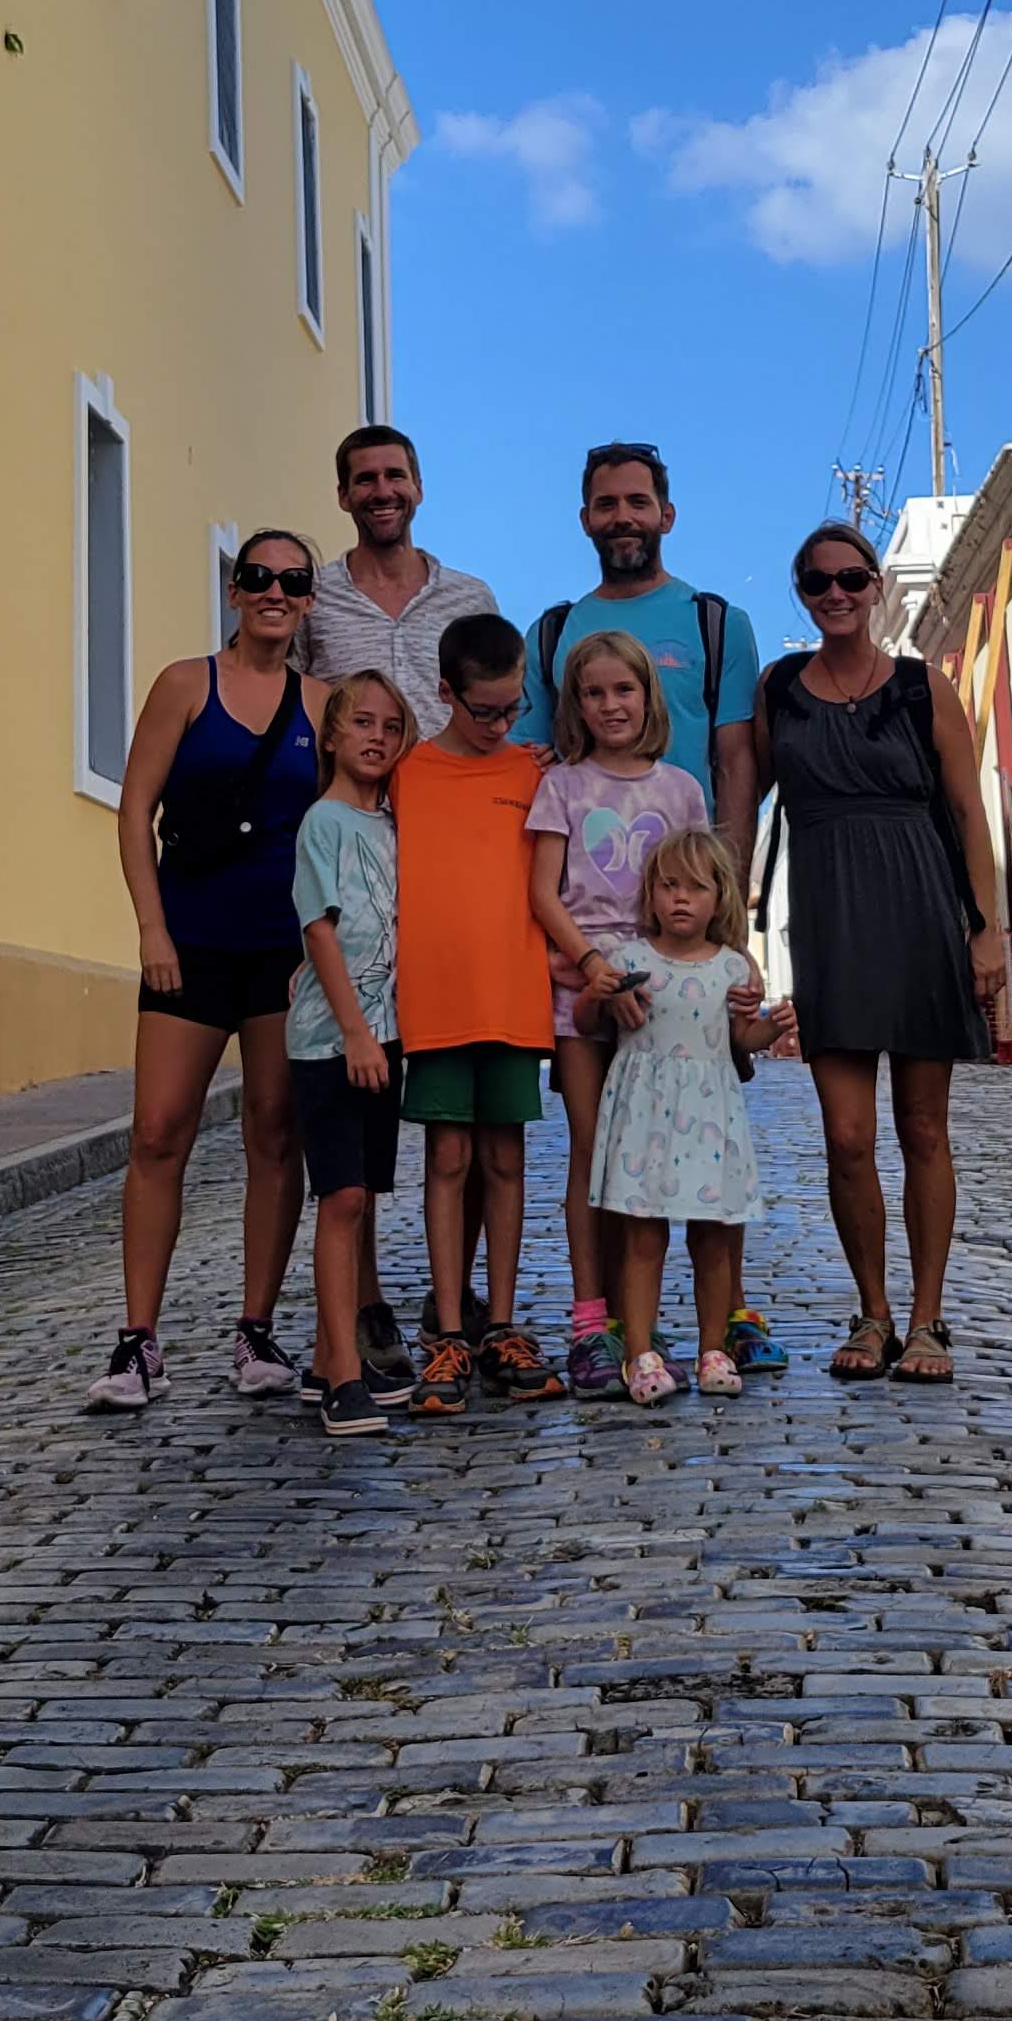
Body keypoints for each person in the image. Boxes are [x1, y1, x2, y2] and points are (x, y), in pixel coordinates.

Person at [740, 520, 1007, 1388]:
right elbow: (740, 808)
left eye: (853, 579)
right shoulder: (777, 689)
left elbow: (969, 813)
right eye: (818, 584)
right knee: (846, 1138)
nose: (838, 596)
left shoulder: (926, 690)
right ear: (802, 594)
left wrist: (987, 926)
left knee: (923, 1128)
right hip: (831, 924)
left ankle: (928, 1319)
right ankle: (874, 1311)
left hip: (923, 914)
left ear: (878, 585)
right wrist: (724, 924)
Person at [97, 529, 324, 1410]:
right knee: (159, 1131)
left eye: (292, 580)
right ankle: (137, 1340)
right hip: (188, 941)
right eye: (259, 576)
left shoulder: (324, 702)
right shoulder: (185, 685)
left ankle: (257, 1328)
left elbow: (367, 803)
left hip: (285, 951)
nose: (274, 591)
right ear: (235, 590)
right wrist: (151, 928)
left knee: (275, 1132)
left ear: (308, 598)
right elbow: (133, 810)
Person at [522, 628, 712, 1402]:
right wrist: (593, 967)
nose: (610, 705)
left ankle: (642, 1320)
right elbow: (542, 891)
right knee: (593, 1150)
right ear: (576, 704)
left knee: (651, 1159)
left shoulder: (681, 791)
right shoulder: (562, 786)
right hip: (581, 988)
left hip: (662, 993)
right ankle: (589, 1320)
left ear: (647, 696)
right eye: (594, 693)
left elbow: (703, 891)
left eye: (623, 690)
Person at [387, 612, 566, 1413]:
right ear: (445, 694)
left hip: (513, 996)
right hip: (435, 1000)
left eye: (512, 707)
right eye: (483, 710)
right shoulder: (409, 773)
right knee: (447, 1161)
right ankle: (448, 1331)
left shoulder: (535, 771)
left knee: (506, 1162)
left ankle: (501, 1324)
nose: (500, 724)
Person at [591, 831, 771, 1407]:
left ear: (720, 897)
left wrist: (776, 1026)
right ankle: (639, 1352)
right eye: (670, 885)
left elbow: (743, 1037)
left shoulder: (733, 967)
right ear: (651, 894)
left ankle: (712, 1348)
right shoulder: (629, 961)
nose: (681, 898)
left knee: (713, 1241)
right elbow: (587, 1016)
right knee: (643, 1239)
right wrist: (597, 996)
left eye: (696, 886)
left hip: (710, 1119)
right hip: (647, 1119)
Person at [285, 670, 419, 1439]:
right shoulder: (323, 823)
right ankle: (342, 1378)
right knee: (339, 1199)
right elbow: (321, 929)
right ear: (331, 735)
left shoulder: (395, 824)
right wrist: (356, 1032)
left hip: (386, 1036)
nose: (376, 737)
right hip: (331, 1041)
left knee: (362, 1196)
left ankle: (323, 1357)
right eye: (362, 723)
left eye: (391, 727)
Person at [517, 444, 760, 858]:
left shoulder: (718, 625)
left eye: (638, 502)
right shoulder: (550, 634)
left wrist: (729, 888)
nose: (622, 517)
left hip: (686, 880)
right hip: (582, 891)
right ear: (585, 520)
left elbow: (738, 766)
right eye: (606, 504)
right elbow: (525, 763)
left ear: (666, 516)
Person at [305, 425, 501, 741]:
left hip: (448, 788)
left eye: (395, 475)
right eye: (366, 479)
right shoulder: (313, 596)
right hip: (346, 789)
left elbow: (499, 704)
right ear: (343, 496)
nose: (383, 492)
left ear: (418, 489)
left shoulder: (471, 599)